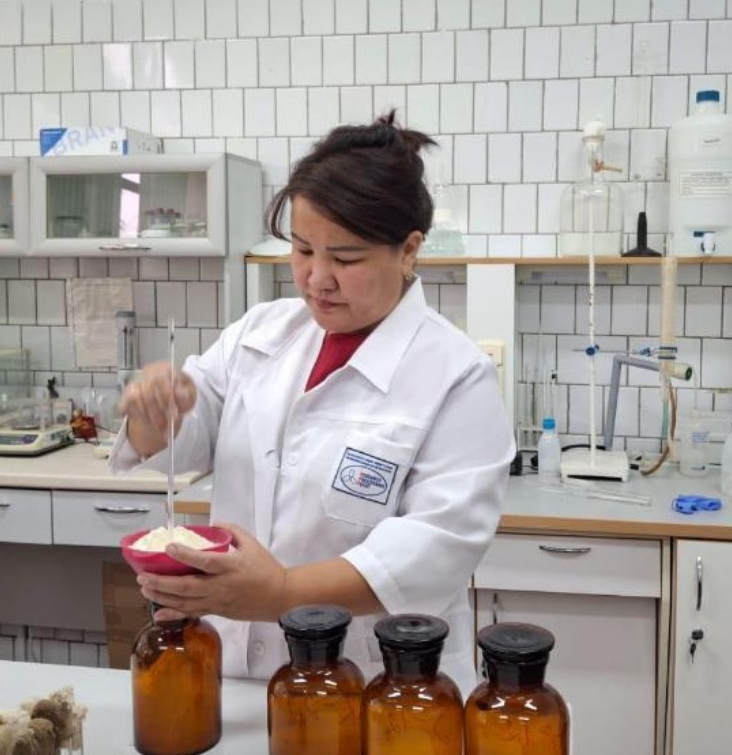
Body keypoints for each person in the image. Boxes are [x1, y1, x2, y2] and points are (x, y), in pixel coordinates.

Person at [112, 112, 514, 685]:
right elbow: (184, 442)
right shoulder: (260, 334)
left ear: (408, 250)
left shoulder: (456, 375)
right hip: (233, 676)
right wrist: (156, 410)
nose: (316, 278)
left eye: (345, 259)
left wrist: (281, 593)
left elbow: (434, 551)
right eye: (302, 250)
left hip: (375, 687)